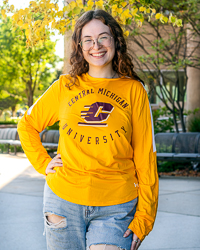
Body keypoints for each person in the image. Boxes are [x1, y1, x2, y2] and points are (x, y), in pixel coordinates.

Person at [17, 9, 159, 250]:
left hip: (117, 204)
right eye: (88, 40)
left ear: (115, 40)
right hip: (63, 200)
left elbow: (146, 157)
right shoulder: (65, 86)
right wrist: (43, 163)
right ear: (80, 46)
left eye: (103, 37)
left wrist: (145, 217)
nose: (97, 45)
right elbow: (27, 124)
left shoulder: (134, 91)